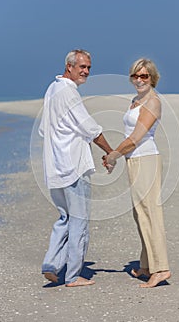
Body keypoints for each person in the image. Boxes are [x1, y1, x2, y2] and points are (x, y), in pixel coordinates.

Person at [39, 49, 113, 287]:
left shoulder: (52, 89)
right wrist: (109, 152)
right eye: (82, 67)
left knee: (64, 217)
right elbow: (90, 128)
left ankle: (52, 264)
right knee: (78, 220)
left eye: (89, 68)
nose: (86, 72)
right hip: (73, 167)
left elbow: (43, 130)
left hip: (54, 166)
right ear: (69, 66)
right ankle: (72, 275)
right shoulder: (69, 93)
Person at [103, 58, 171, 288]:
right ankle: (146, 265)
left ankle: (161, 268)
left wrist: (112, 156)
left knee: (151, 213)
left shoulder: (152, 102)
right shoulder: (135, 100)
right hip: (135, 160)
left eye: (145, 76)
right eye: (136, 75)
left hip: (146, 159)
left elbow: (134, 139)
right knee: (140, 214)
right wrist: (117, 156)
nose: (140, 80)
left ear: (153, 78)